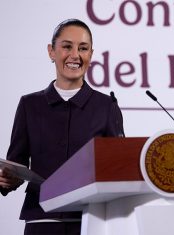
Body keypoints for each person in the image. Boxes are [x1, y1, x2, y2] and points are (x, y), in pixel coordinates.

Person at [0, 19, 124, 234]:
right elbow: (16, 165)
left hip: (90, 222)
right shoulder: (29, 105)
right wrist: (7, 180)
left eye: (83, 48)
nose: (75, 55)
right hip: (41, 221)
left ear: (91, 55)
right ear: (51, 51)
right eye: (67, 46)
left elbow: (119, 169)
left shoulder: (107, 107)